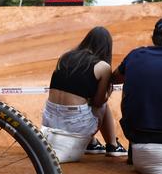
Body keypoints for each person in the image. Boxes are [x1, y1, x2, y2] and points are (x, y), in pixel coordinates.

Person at [112, 17, 162, 154]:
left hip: (136, 132)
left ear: (153, 37)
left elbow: (115, 78)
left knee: (130, 87)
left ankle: (134, 148)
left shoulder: (135, 55)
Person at [42, 26, 127, 157]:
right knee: (102, 104)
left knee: (83, 104)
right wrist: (108, 92)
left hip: (49, 120)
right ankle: (112, 145)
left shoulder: (65, 56)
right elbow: (99, 103)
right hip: (75, 125)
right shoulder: (103, 66)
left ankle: (91, 144)